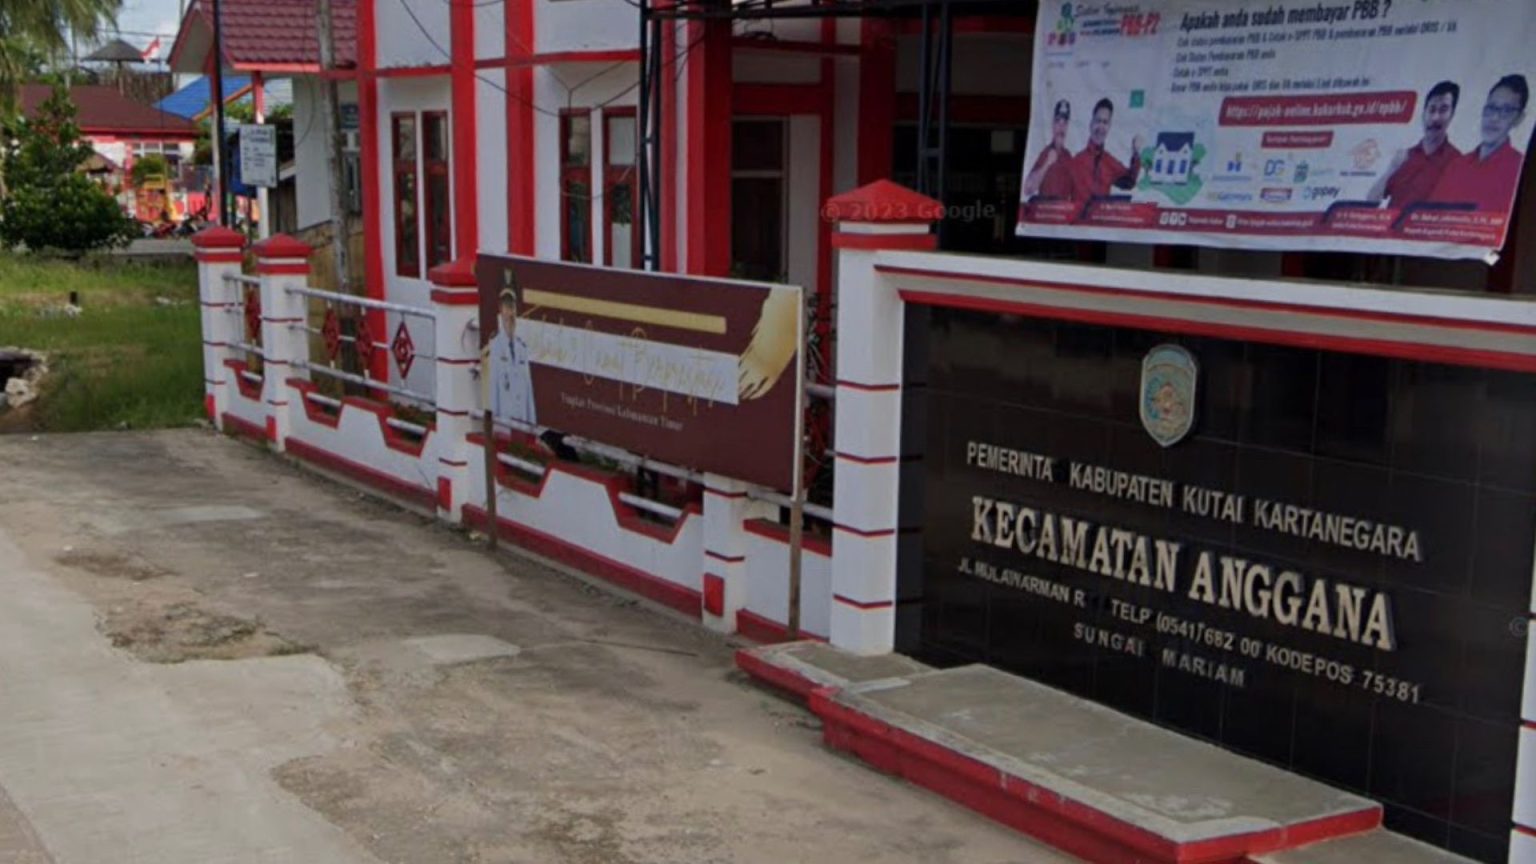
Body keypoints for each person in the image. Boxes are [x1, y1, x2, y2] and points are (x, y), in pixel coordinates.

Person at [1428, 74, 1529, 212]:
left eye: (1506, 111)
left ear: (1519, 118)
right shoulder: (1456, 165)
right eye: (1491, 108)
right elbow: (1428, 214)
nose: (1494, 118)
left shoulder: (1520, 169)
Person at [1367, 80, 1460, 209]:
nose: (1435, 118)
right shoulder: (1404, 157)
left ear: (1452, 115)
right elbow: (1370, 201)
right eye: (1431, 110)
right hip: (1394, 222)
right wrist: (1392, 168)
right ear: (1423, 114)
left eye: (1443, 110)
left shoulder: (1457, 162)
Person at [1065, 98, 1144, 201]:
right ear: (1091, 124)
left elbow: (1129, 182)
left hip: (1101, 212)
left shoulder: (1109, 162)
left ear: (1109, 127)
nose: (1101, 127)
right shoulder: (1076, 162)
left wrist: (1136, 154)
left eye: (1105, 122)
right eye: (1098, 121)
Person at [487, 287, 537, 429]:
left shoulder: (522, 348)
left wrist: (533, 425)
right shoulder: (495, 346)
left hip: (523, 423)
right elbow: (493, 392)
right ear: (501, 310)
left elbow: (529, 392)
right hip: (504, 424)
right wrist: (495, 428)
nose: (510, 313)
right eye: (507, 307)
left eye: (512, 307)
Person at [1024, 99, 1075, 199]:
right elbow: (1028, 188)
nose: (1061, 127)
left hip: (1064, 207)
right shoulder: (1046, 153)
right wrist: (1047, 163)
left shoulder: (1068, 156)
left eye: (1064, 122)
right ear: (1053, 125)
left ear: (1067, 126)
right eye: (1058, 121)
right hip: (1046, 207)